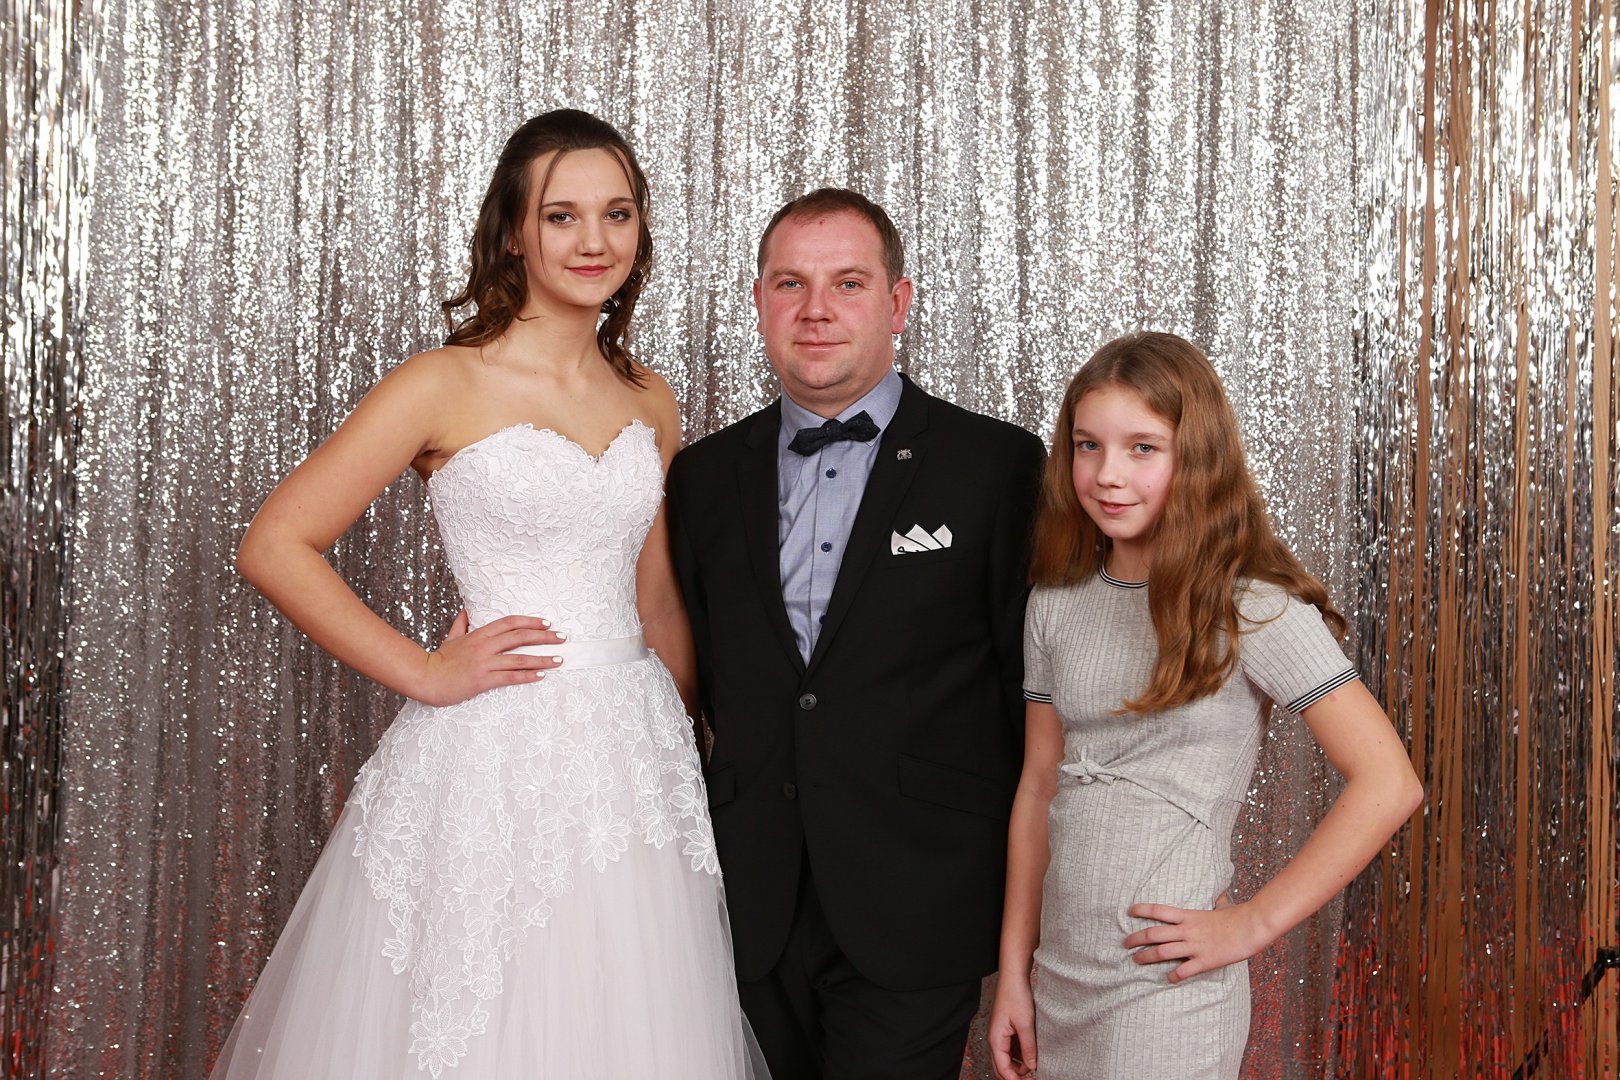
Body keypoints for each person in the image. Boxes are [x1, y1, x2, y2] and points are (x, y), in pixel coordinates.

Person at [214, 109, 764, 1079]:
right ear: (513, 230)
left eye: (617, 213)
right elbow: (274, 544)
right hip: (495, 755)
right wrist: (425, 672)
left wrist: (687, 755)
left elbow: (659, 604)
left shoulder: (650, 396)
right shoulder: (442, 383)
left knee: (630, 1020)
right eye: (561, 216)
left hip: (632, 759)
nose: (594, 241)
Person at [666, 188, 1047, 1080]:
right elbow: (688, 669)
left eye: (847, 283)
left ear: (897, 302)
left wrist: (1023, 933)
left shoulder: (995, 465)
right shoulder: (702, 477)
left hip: (920, 895)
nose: (816, 310)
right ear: (759, 300)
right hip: (746, 899)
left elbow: (1026, 692)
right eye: (790, 284)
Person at [986, 331, 1425, 1079]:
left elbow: (1390, 782)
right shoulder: (1056, 600)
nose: (1108, 474)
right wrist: (1013, 973)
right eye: (1088, 446)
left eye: (1143, 448)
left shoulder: (1251, 602)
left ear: (1198, 457)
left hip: (1167, 989)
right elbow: (1038, 785)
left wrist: (1252, 924)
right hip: (1059, 977)